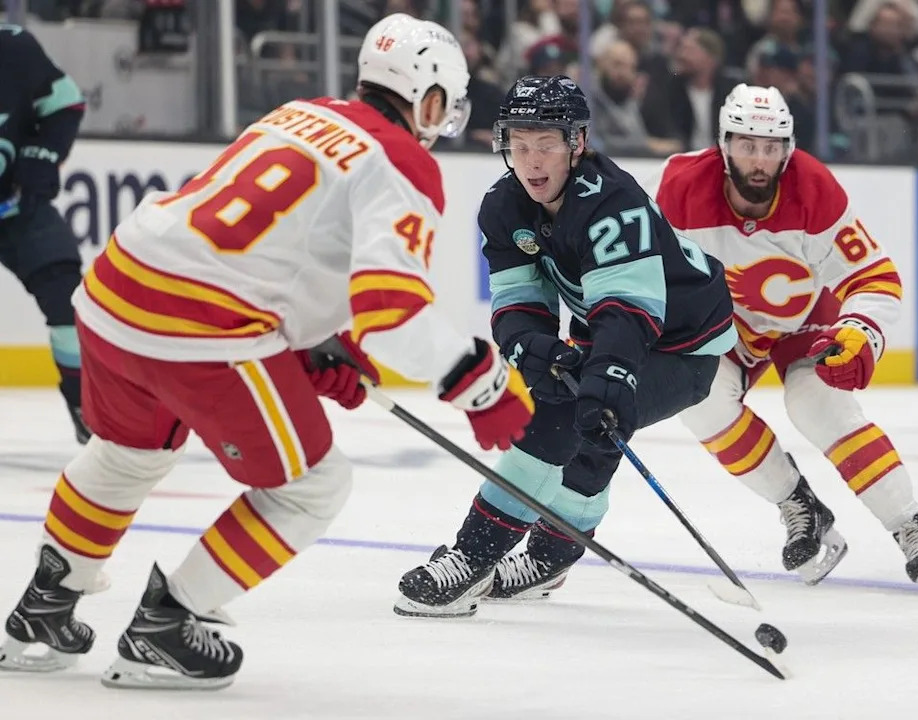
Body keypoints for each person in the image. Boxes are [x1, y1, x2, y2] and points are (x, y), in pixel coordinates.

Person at [0, 13, 534, 690]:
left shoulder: (300, 112)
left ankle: (41, 610)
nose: (441, 121)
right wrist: (480, 383)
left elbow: (265, 245)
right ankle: (166, 626)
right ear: (428, 95)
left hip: (114, 288)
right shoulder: (404, 162)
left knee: (127, 452)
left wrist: (314, 341)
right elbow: (391, 312)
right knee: (313, 487)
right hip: (199, 326)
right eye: (443, 105)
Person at [393, 75, 737, 618]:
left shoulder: (613, 203)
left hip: (685, 348)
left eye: (546, 144)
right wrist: (533, 348)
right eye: (519, 143)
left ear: (577, 143)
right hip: (609, 327)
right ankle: (550, 558)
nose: (531, 161)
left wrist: (609, 378)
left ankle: (471, 557)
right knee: (586, 422)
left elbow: (628, 311)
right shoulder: (504, 206)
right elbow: (517, 300)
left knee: (569, 414)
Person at [648, 84, 918, 592]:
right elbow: (643, 272)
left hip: (805, 322)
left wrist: (861, 332)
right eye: (748, 145)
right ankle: (799, 504)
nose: (759, 160)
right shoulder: (681, 186)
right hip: (726, 325)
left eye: (771, 148)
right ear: (724, 144)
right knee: (698, 400)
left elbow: (874, 277)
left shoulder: (815, 191)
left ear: (788, 150)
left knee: (818, 406)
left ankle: (912, 527)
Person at [0, 24, 89, 443]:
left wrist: (40, 155)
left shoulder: (13, 48)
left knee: (70, 300)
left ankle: (89, 411)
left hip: (15, 209)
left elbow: (65, 103)